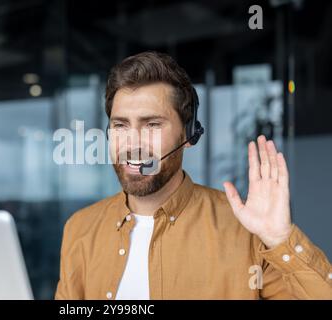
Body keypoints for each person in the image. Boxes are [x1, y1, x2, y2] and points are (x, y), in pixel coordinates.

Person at [55, 51, 332, 299]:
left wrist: (281, 240)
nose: (133, 143)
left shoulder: (246, 231)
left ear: (188, 134)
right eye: (120, 125)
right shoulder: (80, 229)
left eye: (152, 124)